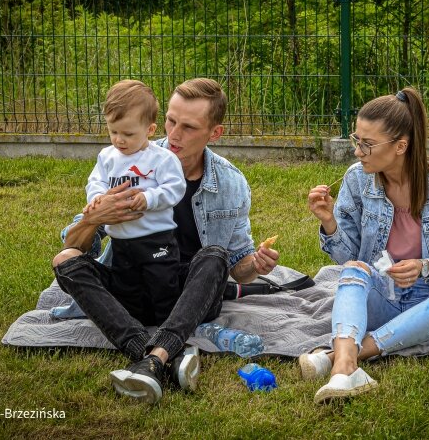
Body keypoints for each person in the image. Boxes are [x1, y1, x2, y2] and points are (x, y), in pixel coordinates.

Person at [52, 78, 279, 405]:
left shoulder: (231, 183)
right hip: (130, 291)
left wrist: (256, 264)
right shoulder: (128, 162)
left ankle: (153, 354)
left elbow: (236, 268)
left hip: (187, 297)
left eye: (188, 127)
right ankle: (156, 354)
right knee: (65, 261)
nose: (174, 134)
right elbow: (75, 245)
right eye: (171, 121)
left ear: (214, 134)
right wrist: (95, 217)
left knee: (214, 255)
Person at [303, 86, 429, 404]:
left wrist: (425, 267)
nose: (357, 151)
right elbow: (348, 258)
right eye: (355, 139)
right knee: (355, 269)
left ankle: (343, 355)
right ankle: (346, 368)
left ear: (401, 146)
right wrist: (329, 222)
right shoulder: (357, 179)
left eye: (367, 144)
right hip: (383, 299)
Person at [82, 79, 186, 330]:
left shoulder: (162, 159)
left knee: (162, 283)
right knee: (126, 285)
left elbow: (175, 188)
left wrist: (148, 199)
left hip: (155, 239)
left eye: (128, 134)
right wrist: (97, 198)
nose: (119, 140)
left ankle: (166, 327)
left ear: (150, 130)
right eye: (113, 131)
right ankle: (136, 325)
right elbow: (94, 181)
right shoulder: (107, 157)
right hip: (121, 241)